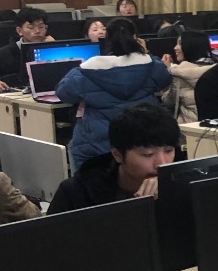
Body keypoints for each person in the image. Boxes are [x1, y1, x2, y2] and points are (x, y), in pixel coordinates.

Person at [55, 19, 172, 171]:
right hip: (144, 141)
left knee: (75, 146)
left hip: (98, 145)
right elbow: (164, 79)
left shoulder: (87, 69)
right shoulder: (152, 66)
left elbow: (63, 93)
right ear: (135, 38)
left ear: (107, 38)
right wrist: (145, 52)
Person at [47, 104, 181, 213]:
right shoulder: (77, 192)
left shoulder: (184, 183)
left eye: (168, 151)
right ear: (118, 155)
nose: (162, 163)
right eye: (148, 154)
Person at [162, 29, 215, 123]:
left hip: (188, 127)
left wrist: (168, 70)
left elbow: (169, 102)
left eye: (180, 44)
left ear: (191, 46)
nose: (175, 48)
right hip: (215, 124)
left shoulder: (179, 72)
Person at [0, 7, 55, 88]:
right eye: (31, 27)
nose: (37, 31)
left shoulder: (54, 48)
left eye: (41, 27)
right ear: (19, 31)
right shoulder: (3, 54)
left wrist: (54, 47)